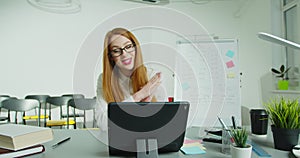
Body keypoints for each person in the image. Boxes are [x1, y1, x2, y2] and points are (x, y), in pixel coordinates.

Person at [96, 27, 164, 131]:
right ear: (110, 57)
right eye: (116, 50)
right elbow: (103, 124)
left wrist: (144, 106)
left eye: (128, 46)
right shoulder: (104, 80)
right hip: (118, 141)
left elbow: (162, 122)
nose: (124, 54)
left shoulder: (151, 77)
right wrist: (138, 96)